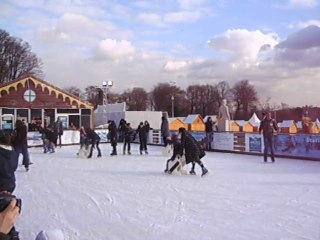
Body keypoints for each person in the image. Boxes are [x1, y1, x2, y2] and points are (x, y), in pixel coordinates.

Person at [0, 131, 20, 239]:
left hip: (2, 183)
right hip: (10, 183)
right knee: (6, 205)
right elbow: (14, 167)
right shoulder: (14, 152)